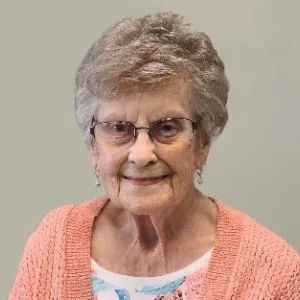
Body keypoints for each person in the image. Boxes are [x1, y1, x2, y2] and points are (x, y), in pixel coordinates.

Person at [9, 12, 299, 300]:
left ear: (203, 142)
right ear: (93, 145)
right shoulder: (53, 243)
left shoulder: (274, 273)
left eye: (168, 127)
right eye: (119, 128)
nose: (142, 154)